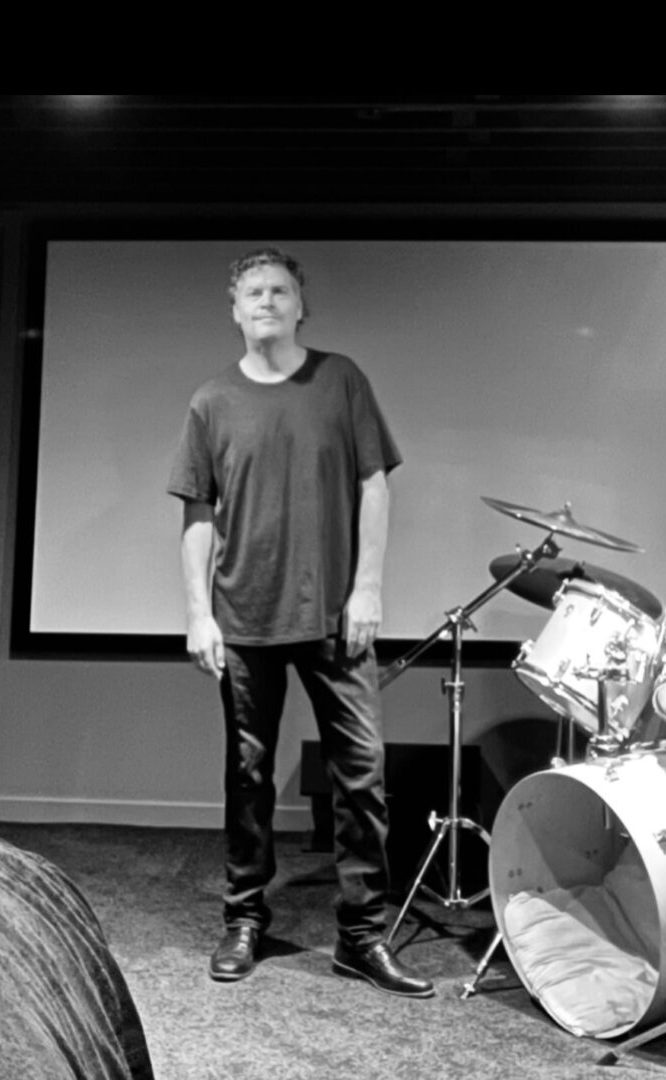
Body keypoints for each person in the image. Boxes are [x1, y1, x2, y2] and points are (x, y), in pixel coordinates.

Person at [167, 247, 434, 998]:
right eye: (252, 291)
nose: (266, 301)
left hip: (332, 614)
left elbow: (373, 482)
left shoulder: (340, 379)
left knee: (362, 776)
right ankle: (245, 919)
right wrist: (197, 614)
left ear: (299, 305)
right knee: (247, 776)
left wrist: (367, 588)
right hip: (243, 613)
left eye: (280, 290)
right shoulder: (210, 400)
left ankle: (360, 937)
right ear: (234, 308)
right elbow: (197, 514)